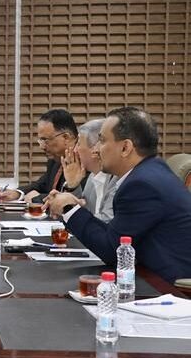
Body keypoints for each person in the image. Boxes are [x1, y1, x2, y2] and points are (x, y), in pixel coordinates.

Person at [46, 107, 191, 283]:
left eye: (101, 141)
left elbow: (112, 250)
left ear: (125, 148)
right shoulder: (149, 171)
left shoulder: (142, 185)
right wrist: (73, 207)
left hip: (168, 287)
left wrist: (70, 208)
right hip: (150, 276)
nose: (96, 149)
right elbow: (114, 236)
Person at [0, 109, 85, 203]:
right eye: (41, 140)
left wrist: (37, 198)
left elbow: (75, 199)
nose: (42, 147)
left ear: (66, 137)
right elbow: (41, 185)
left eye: (45, 140)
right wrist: (17, 193)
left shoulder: (85, 160)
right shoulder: (55, 159)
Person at [45, 119, 118, 222]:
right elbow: (83, 214)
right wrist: (72, 186)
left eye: (78, 144)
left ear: (95, 148)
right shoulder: (92, 176)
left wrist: (71, 208)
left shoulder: (117, 179)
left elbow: (106, 222)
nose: (75, 150)